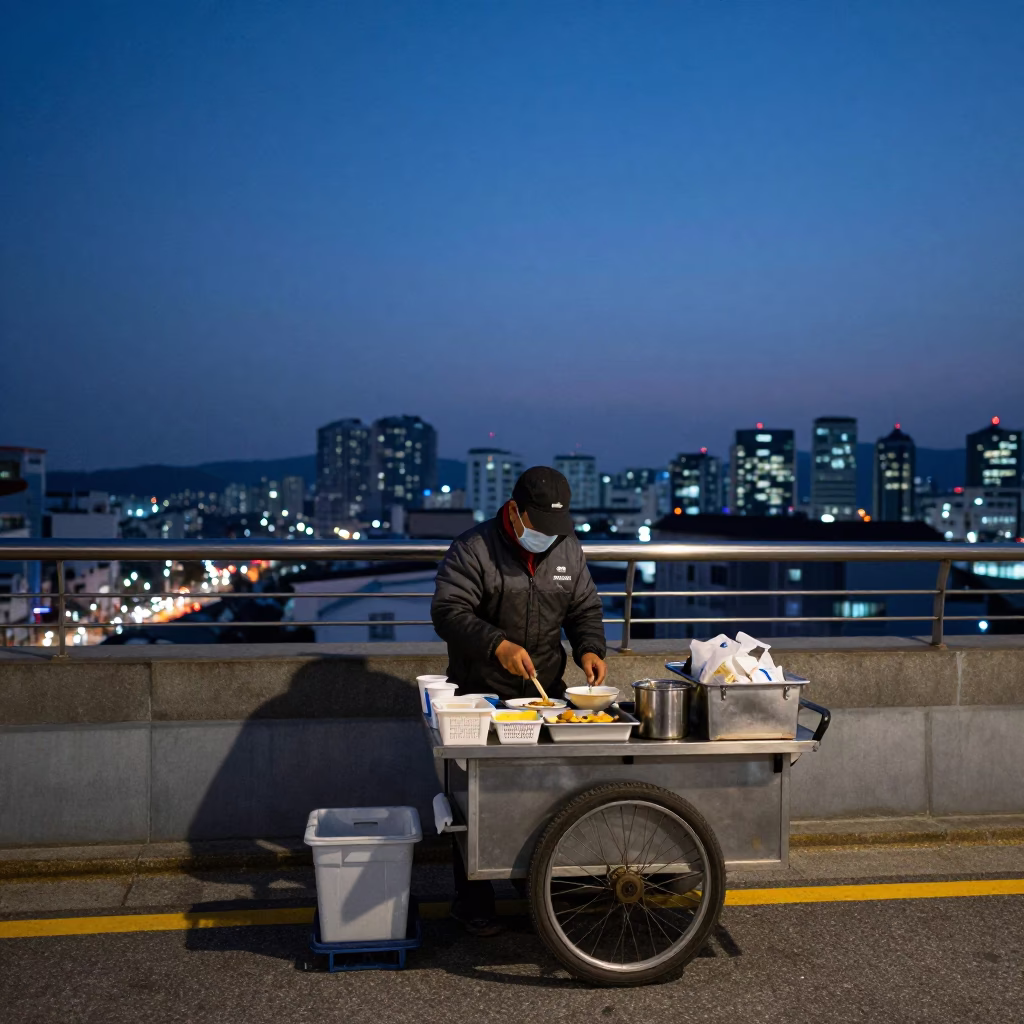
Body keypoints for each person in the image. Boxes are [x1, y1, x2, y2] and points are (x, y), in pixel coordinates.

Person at [431, 465, 608, 935]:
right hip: (481, 695)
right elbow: (448, 611)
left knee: (546, 796)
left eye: (557, 529)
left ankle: (546, 889)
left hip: (542, 694)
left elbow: (584, 608)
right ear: (515, 512)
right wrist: (497, 646)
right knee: (476, 800)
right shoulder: (474, 548)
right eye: (540, 528)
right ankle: (473, 900)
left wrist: (590, 648)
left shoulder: (566, 546)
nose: (547, 538)